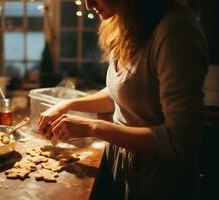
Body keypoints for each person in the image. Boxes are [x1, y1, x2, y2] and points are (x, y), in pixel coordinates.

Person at [38, 0, 208, 199]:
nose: (88, 4)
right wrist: (68, 105)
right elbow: (122, 92)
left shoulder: (175, 32)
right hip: (124, 165)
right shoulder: (129, 22)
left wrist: (91, 127)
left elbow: (181, 141)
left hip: (159, 179)